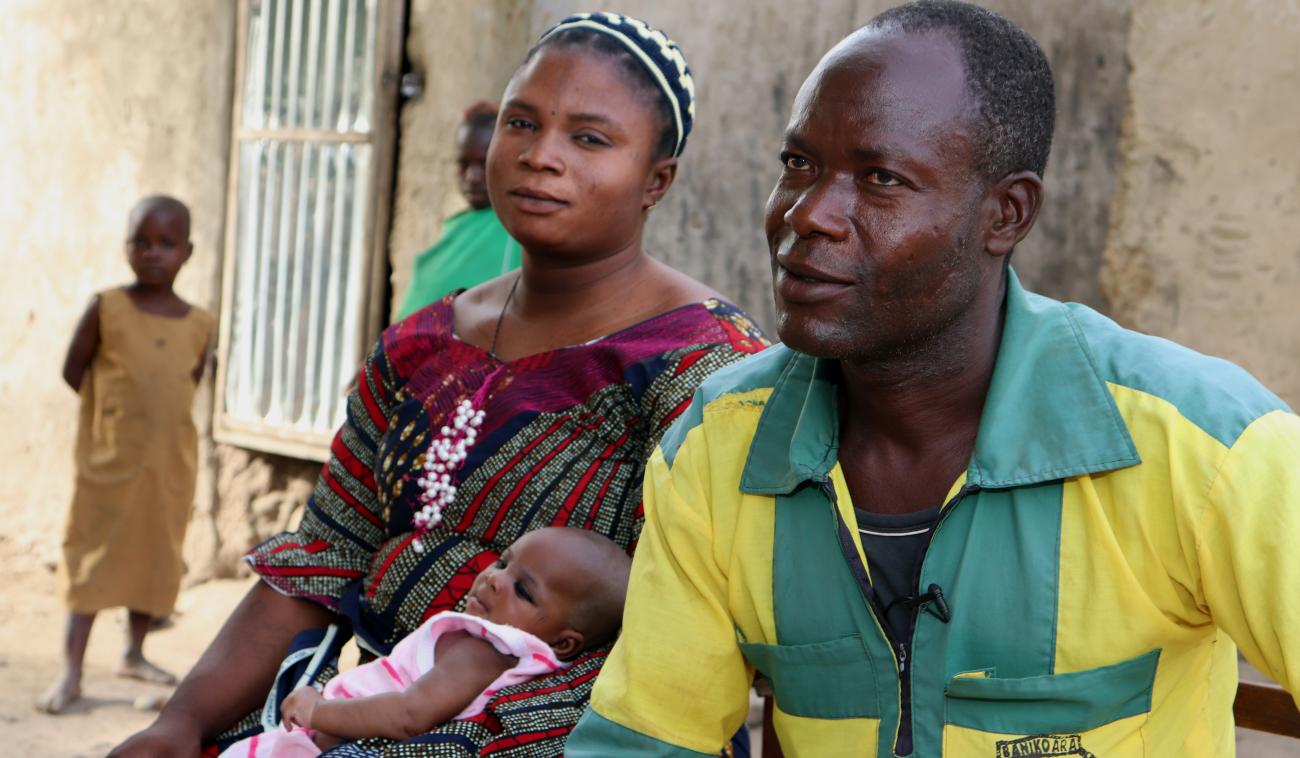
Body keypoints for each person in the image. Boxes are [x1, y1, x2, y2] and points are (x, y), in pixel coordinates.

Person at [567, 2, 1300, 757]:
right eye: (798, 165)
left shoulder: (1204, 446)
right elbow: (644, 742)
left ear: (1004, 215)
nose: (809, 213)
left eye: (881, 178)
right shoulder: (720, 450)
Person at [110, 12, 766, 757]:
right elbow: (326, 557)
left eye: (589, 138)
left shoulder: (706, 368)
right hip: (374, 719)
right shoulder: (420, 345)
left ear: (657, 178)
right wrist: (178, 724)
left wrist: (413, 742)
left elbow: (672, 649)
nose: (540, 156)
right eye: (522, 122)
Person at [219, 527, 630, 757]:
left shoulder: (485, 649)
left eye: (523, 591)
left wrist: (318, 710)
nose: (493, 579)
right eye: (504, 563)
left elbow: (408, 715)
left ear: (564, 644)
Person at [38, 196, 216, 715]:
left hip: (167, 465)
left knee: (154, 556)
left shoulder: (200, 323)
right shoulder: (107, 307)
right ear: (126, 248)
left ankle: (134, 652)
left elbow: (189, 383)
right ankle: (71, 670)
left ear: (188, 251)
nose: (153, 253)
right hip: (109, 463)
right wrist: (112, 416)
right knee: (91, 556)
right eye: (142, 242)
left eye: (166, 243)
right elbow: (75, 371)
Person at [394, 101, 522, 320]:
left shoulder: (516, 230)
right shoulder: (456, 228)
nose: (472, 177)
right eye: (464, 164)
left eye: (484, 164)